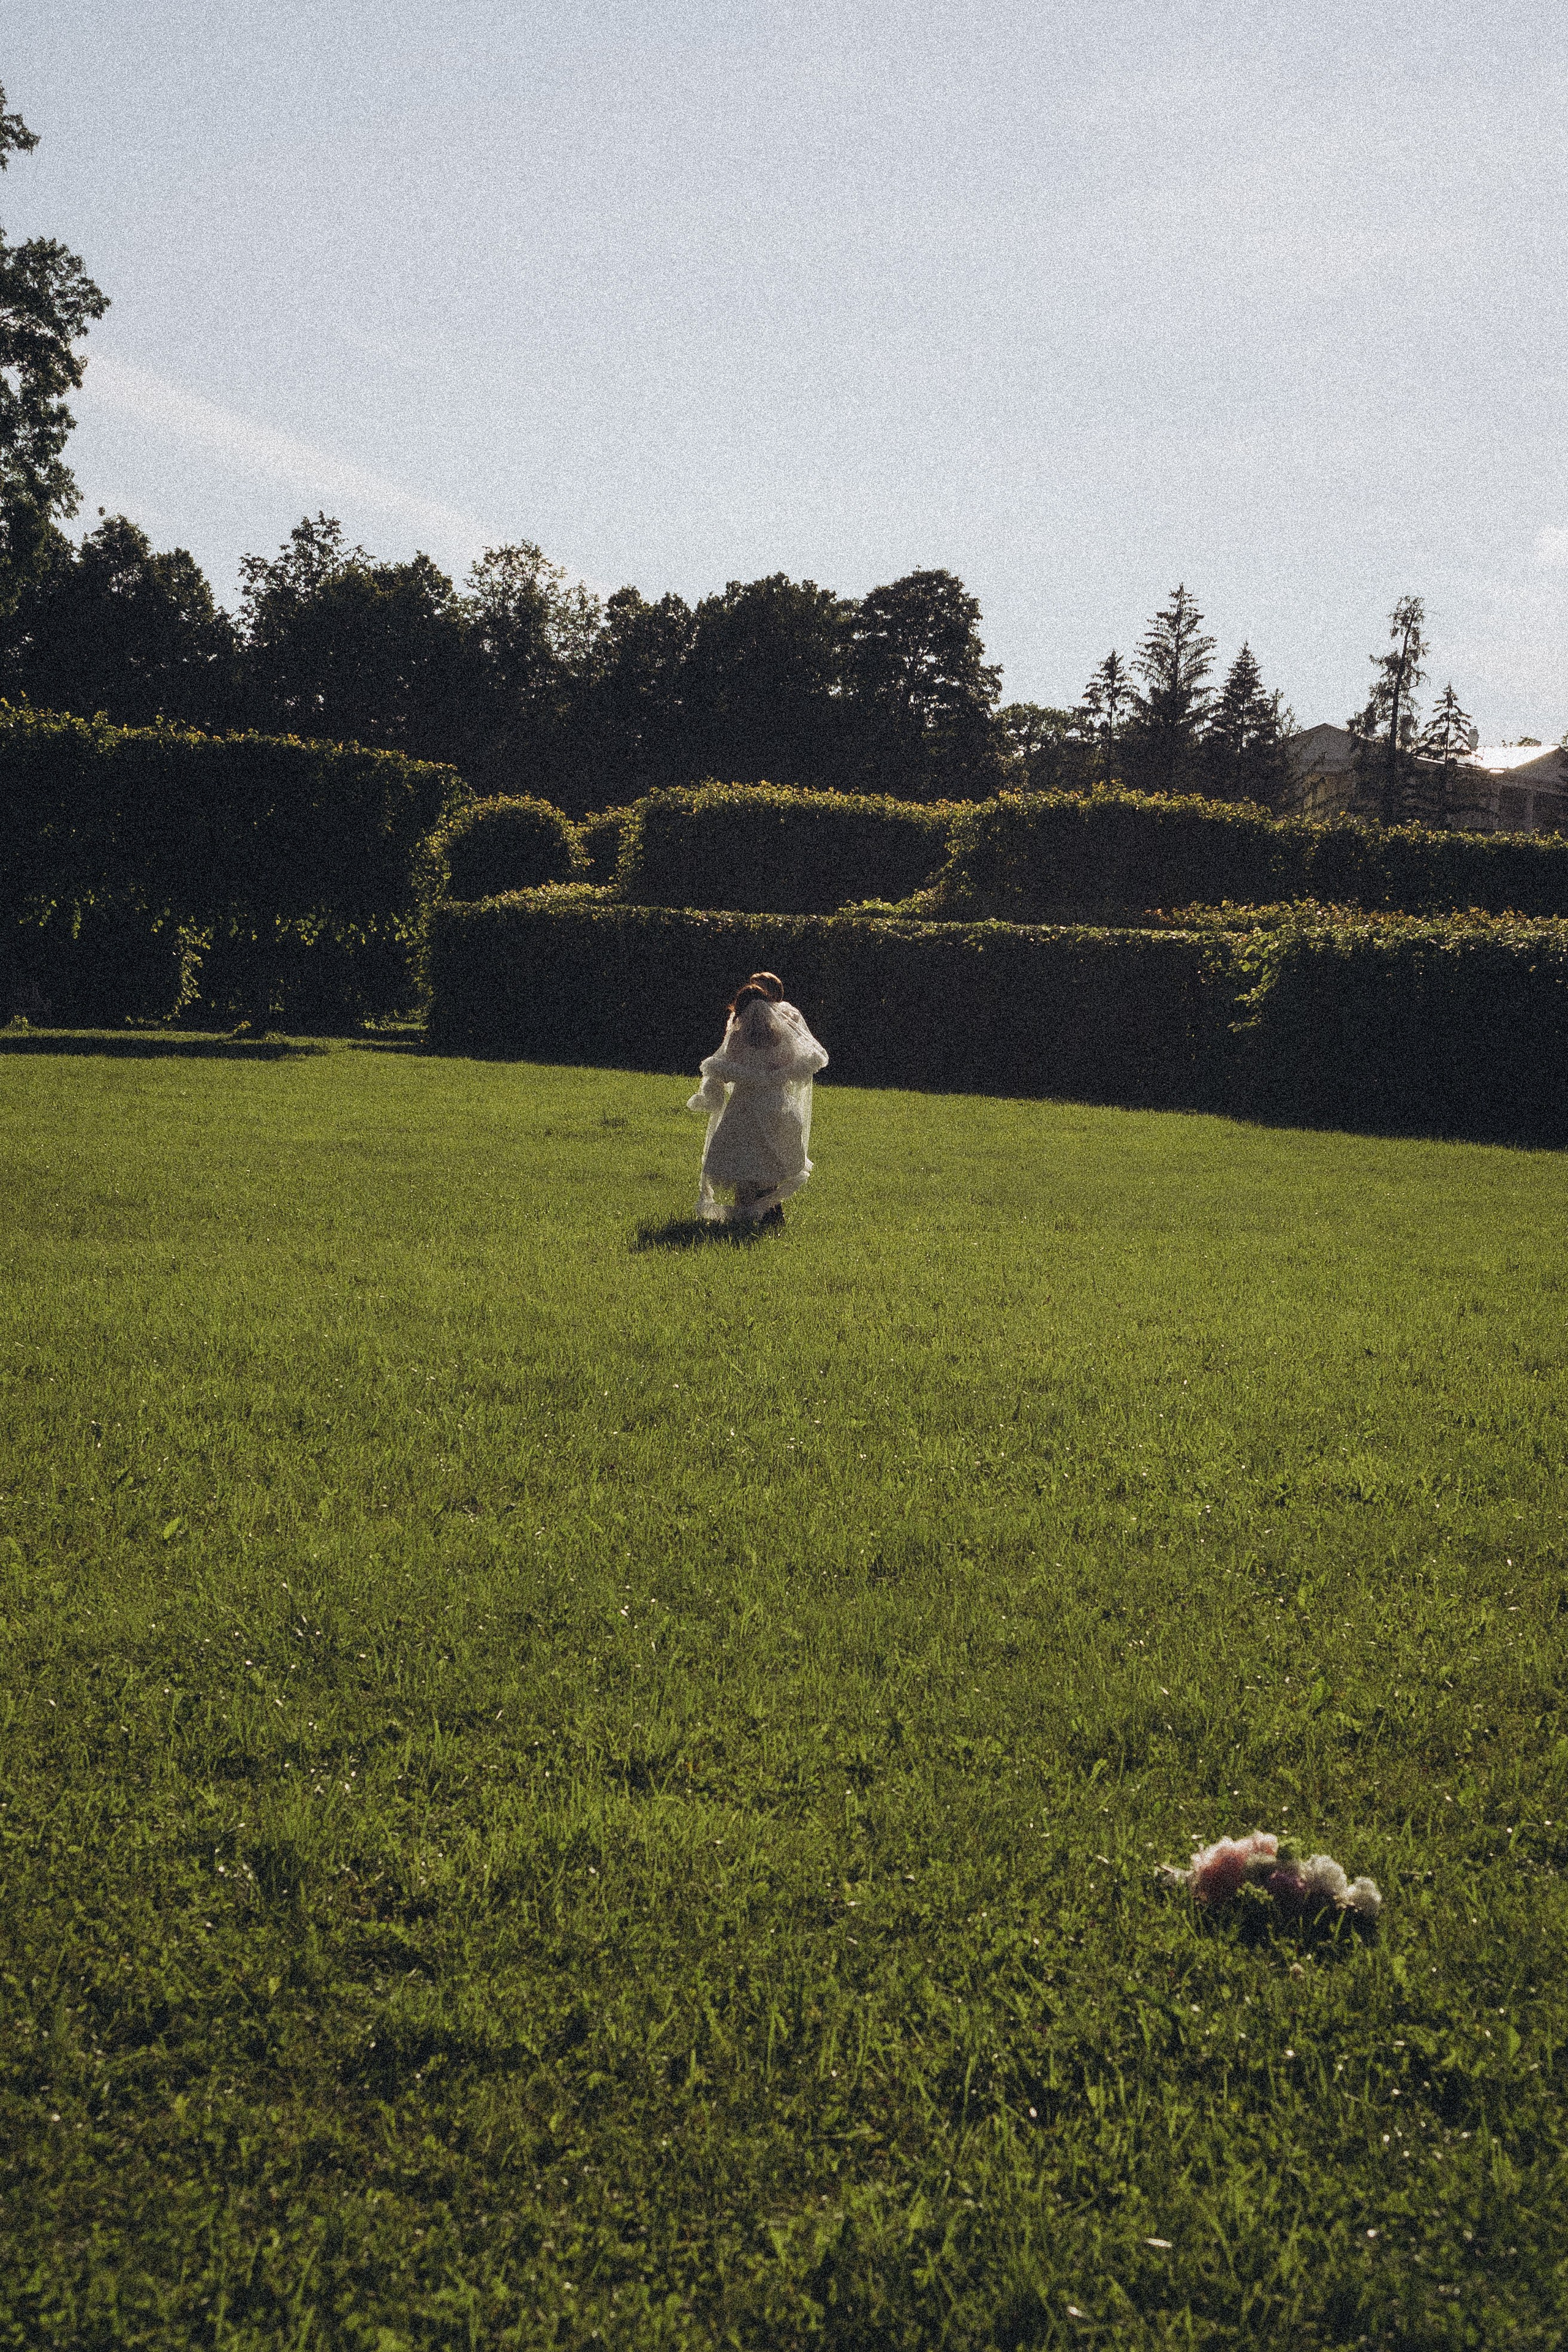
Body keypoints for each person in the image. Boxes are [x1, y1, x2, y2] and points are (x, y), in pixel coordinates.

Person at [688, 978, 829, 1223]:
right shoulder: (783, 1038)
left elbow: (727, 1070)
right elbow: (796, 1066)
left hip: (745, 1107)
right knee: (770, 1160)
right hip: (778, 1107)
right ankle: (771, 1210)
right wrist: (774, 1077)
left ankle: (744, 1216)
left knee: (745, 1163)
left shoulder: (737, 1038)